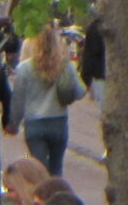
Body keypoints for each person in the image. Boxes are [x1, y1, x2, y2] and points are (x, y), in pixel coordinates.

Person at [8, 26, 86, 179]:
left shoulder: (25, 68)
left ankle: (43, 199)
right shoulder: (65, 66)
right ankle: (57, 198)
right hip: (58, 122)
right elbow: (81, 91)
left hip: (34, 124)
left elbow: (18, 100)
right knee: (56, 169)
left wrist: (14, 123)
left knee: (40, 171)